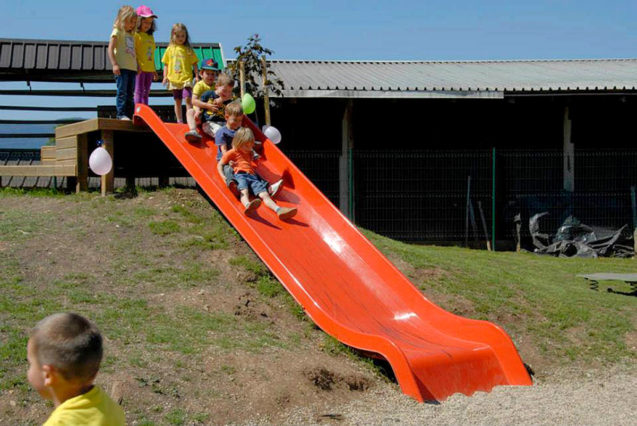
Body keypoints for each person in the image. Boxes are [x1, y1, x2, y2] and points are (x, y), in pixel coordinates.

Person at [27, 313, 125, 425]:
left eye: (30, 363)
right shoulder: (111, 409)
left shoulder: (58, 423)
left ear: (48, 375)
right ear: (95, 370)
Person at [218, 127, 296, 219]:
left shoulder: (249, 152)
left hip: (252, 176)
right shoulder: (232, 152)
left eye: (251, 146)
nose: (249, 148)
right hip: (240, 175)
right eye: (246, 146)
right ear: (238, 142)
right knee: (244, 191)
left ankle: (278, 210)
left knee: (264, 195)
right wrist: (223, 176)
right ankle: (247, 205)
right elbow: (220, 164)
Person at [214, 102, 283, 197]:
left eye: (240, 120)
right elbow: (224, 149)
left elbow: (246, 143)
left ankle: (268, 188)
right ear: (226, 117)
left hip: (241, 158)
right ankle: (232, 184)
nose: (238, 123)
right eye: (235, 120)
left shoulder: (240, 130)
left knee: (252, 172)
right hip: (227, 159)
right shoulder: (222, 132)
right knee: (229, 169)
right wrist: (230, 160)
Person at [161, 23, 199, 123]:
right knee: (177, 100)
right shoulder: (170, 49)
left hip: (186, 78)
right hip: (174, 79)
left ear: (186, 36)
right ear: (172, 36)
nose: (180, 38)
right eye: (178, 36)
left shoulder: (188, 50)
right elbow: (166, 64)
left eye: (183, 36)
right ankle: (179, 120)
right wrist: (165, 76)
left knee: (187, 98)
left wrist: (197, 75)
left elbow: (194, 63)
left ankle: (190, 119)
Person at [108, 5, 138, 120]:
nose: (132, 25)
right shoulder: (117, 31)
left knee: (130, 93)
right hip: (121, 68)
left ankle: (130, 114)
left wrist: (137, 65)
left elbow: (132, 52)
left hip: (132, 68)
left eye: (134, 22)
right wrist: (114, 64)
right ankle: (121, 114)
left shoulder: (131, 35)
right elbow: (110, 48)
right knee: (122, 92)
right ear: (122, 19)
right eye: (130, 22)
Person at [184, 57, 220, 142]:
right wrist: (206, 106)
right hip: (199, 114)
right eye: (208, 73)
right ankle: (193, 130)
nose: (210, 76)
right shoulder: (199, 85)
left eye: (213, 74)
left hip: (211, 116)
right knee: (190, 111)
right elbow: (194, 101)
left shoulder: (217, 86)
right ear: (201, 74)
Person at [133, 5, 158, 105]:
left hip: (149, 69)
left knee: (146, 92)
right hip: (140, 68)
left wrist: (154, 70)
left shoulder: (150, 37)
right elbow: (133, 51)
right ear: (139, 21)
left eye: (150, 23)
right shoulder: (136, 35)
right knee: (138, 91)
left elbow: (151, 55)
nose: (148, 25)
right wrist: (137, 65)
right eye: (145, 22)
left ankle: (145, 111)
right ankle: (138, 111)